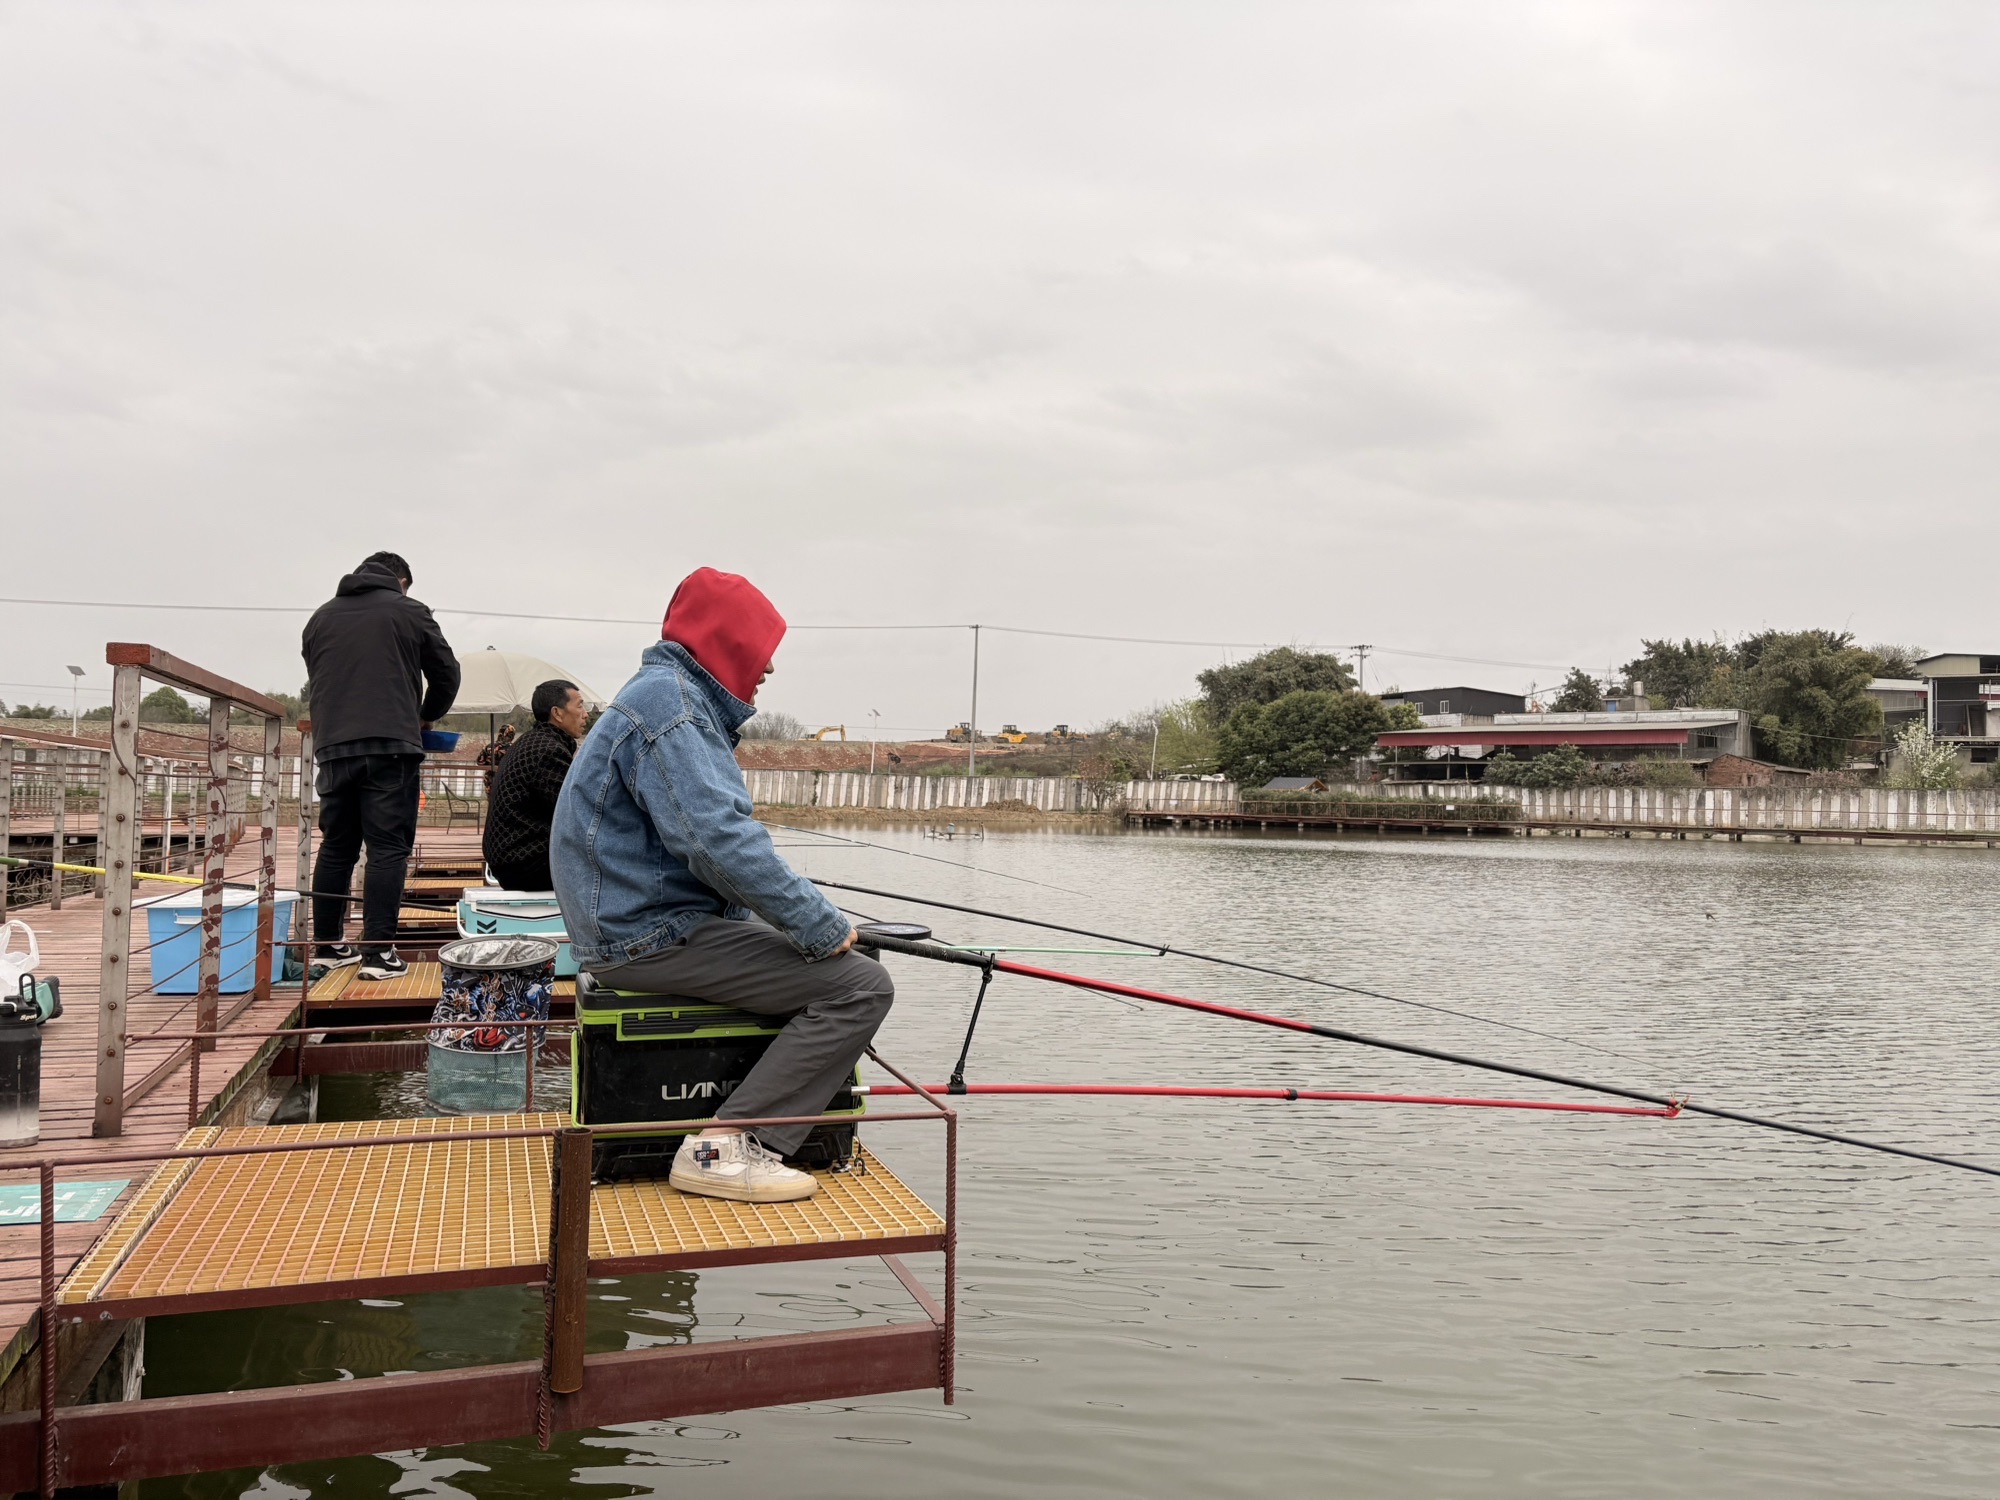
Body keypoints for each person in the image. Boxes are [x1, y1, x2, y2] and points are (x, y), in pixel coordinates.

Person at [551, 567, 891, 1205]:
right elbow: (717, 842)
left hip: (639, 926)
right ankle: (725, 1148)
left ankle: (747, 1120)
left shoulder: (663, 695)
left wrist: (804, 923)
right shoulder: (674, 711)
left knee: (831, 955)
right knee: (861, 984)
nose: (765, 674)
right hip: (647, 937)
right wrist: (819, 925)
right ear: (726, 642)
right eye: (761, 655)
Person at [302, 551, 460, 982]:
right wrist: (426, 714)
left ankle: (330, 946)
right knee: (387, 847)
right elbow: (447, 673)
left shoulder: (320, 618)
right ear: (402, 580)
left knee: (337, 845)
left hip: (333, 746)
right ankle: (377, 953)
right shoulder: (409, 610)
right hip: (392, 744)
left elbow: (323, 677)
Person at [483, 680, 588, 891]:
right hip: (526, 865)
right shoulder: (548, 751)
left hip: (510, 861)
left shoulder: (532, 741)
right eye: (580, 706)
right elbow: (575, 813)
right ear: (557, 713)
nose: (585, 714)